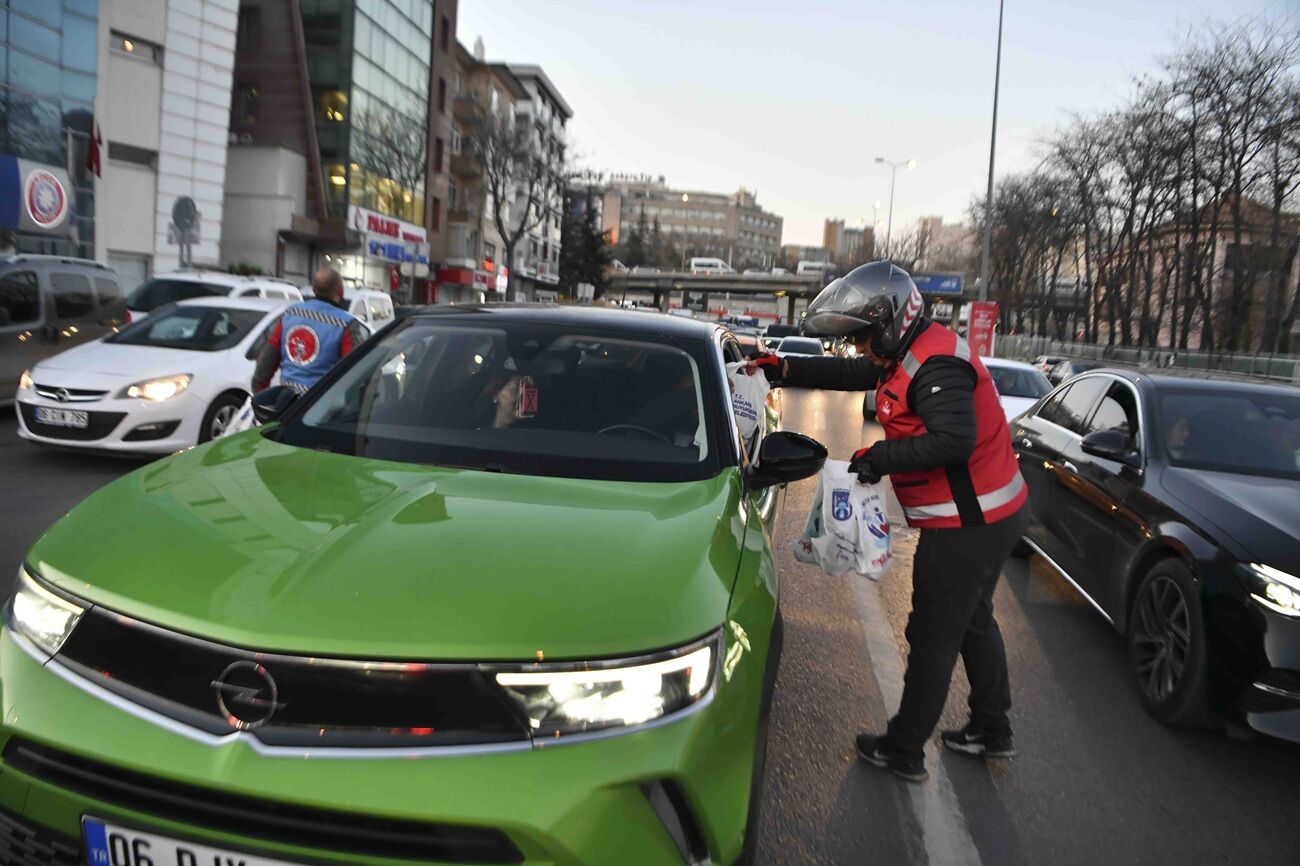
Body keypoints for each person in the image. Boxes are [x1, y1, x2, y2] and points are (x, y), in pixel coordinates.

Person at [748, 261, 1029, 782]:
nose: (858, 350)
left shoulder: (938, 364)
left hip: (970, 523)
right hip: (995, 515)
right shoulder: (908, 352)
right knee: (973, 622)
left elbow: (955, 440)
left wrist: (880, 458)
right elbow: (855, 373)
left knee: (932, 634)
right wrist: (785, 367)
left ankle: (904, 750)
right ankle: (994, 728)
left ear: (890, 323)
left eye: (861, 338)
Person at [252, 268, 366, 394]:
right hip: (321, 406)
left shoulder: (290, 313)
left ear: (313, 289)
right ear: (341, 291)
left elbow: (268, 358)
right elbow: (355, 371)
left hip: (288, 402)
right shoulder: (346, 324)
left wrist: (259, 392)